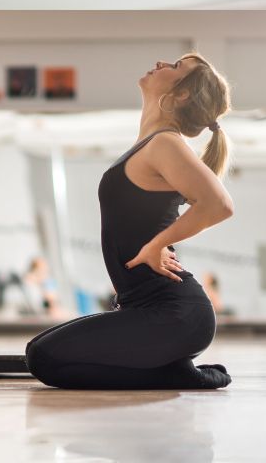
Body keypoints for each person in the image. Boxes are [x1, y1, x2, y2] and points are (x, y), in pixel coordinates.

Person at [25, 54, 234, 389]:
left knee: (45, 358)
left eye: (176, 67)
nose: (162, 62)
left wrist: (157, 243)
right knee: (41, 350)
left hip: (175, 314)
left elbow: (219, 204)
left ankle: (177, 375)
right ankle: (169, 370)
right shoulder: (151, 144)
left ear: (181, 94)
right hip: (148, 310)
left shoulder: (165, 143)